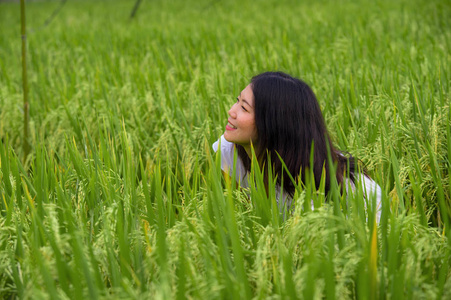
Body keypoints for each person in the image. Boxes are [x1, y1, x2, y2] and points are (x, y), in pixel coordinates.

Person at [213, 72, 382, 220]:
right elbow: (244, 211)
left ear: (273, 124)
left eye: (244, 108)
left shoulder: (322, 193)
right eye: (237, 101)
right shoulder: (230, 152)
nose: (231, 111)